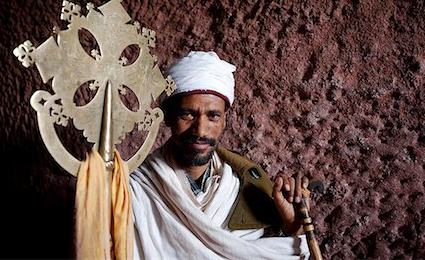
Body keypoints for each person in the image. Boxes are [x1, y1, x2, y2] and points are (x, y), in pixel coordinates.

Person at [129, 51, 310, 259]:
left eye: (213, 116)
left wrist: (292, 226)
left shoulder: (246, 186)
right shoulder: (136, 189)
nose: (200, 130)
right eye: (188, 114)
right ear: (168, 117)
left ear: (224, 121)